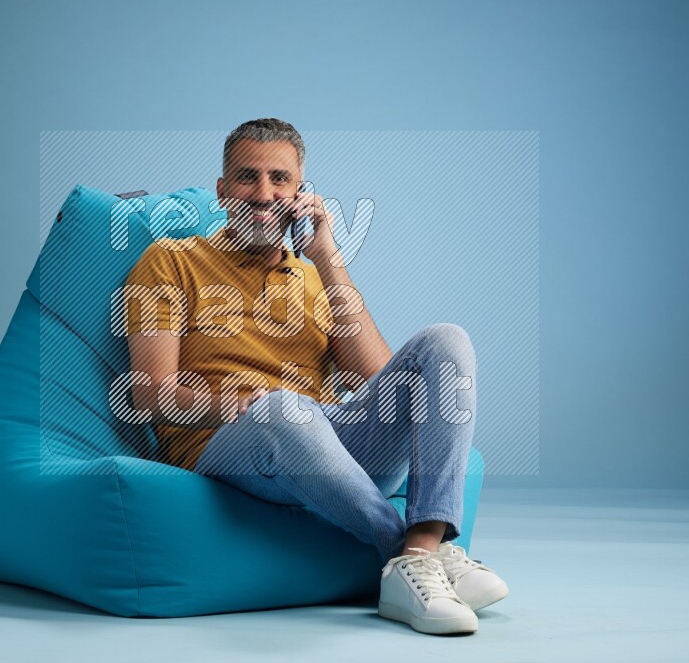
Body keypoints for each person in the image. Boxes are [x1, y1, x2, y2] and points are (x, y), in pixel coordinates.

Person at [124, 118, 509, 635]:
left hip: (324, 442)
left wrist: (327, 259)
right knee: (283, 408)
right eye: (247, 177)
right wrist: (239, 404)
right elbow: (149, 393)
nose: (265, 194)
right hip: (227, 445)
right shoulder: (171, 261)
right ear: (221, 190)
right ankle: (408, 552)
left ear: (300, 192)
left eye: (280, 179)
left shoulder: (313, 277)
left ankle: (421, 550)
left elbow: (387, 385)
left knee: (446, 340)